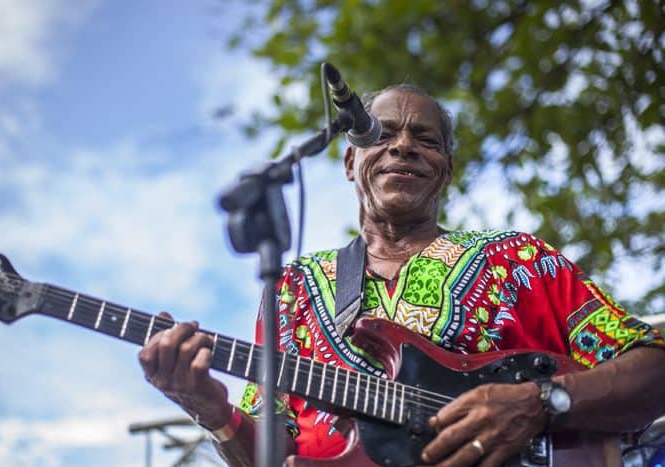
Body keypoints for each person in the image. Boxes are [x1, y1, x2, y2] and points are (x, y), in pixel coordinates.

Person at [138, 84, 665, 466]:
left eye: (427, 139)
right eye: (382, 134)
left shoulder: (520, 259)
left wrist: (538, 403)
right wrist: (209, 409)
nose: (403, 146)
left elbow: (655, 371)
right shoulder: (292, 289)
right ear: (351, 162)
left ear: (447, 169)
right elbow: (271, 457)